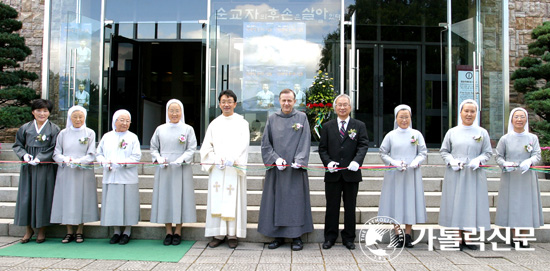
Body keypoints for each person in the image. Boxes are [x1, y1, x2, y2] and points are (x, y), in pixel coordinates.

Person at [258, 89, 313, 251]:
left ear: (295, 101)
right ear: (279, 101)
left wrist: (300, 160)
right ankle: (278, 236)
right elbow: (265, 143)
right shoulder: (272, 118)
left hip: (295, 170)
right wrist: (275, 159)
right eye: (284, 100)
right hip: (277, 170)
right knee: (276, 201)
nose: (286, 103)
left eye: (289, 100)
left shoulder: (302, 118)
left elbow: (305, 141)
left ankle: (297, 236)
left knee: (296, 202)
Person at [439, 99, 492, 250]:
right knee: (456, 202)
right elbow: (444, 151)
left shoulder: (482, 132)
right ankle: (457, 237)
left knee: (471, 203)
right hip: (456, 173)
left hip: (474, 173)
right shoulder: (452, 132)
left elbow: (487, 152)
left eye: (472, 111)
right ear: (460, 112)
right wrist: (452, 161)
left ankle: (468, 237)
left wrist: (479, 160)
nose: (469, 114)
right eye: (466, 111)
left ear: (476, 113)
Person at [318, 94, 369, 250]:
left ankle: (349, 238)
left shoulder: (359, 125)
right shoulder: (327, 126)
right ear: (335, 108)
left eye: (345, 104)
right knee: (331, 207)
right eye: (339, 105)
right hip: (333, 174)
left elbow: (363, 145)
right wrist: (328, 163)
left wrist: (356, 161)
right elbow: (322, 148)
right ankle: (330, 237)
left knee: (350, 207)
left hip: (351, 174)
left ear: (350, 107)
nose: (342, 107)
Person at [201, 90, 250, 249]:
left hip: (233, 168)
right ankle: (217, 233)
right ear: (219, 104)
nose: (226, 104)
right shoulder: (214, 123)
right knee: (218, 199)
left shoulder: (242, 123)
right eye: (223, 101)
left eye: (230, 101)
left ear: (235, 104)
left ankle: (232, 234)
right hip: (218, 168)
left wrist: (234, 159)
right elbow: (206, 146)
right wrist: (215, 159)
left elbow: (244, 145)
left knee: (233, 200)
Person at [378, 105, 427, 248]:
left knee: (409, 201)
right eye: (401, 117)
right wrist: (393, 162)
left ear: (410, 118)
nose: (404, 120)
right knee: (396, 201)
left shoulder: (416, 134)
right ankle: (397, 232)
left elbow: (422, 152)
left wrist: (416, 162)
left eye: (407, 117)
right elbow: (383, 152)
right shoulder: (391, 135)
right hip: (395, 175)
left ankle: (408, 233)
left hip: (411, 174)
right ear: (396, 118)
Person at [150, 99, 197, 246]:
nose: (174, 113)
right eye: (171, 110)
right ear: (167, 112)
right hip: (165, 168)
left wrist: (182, 159)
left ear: (181, 112)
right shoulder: (160, 129)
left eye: (177, 111)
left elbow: (191, 148)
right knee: (166, 197)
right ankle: (168, 231)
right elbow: (153, 148)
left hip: (181, 168)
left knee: (180, 197)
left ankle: (178, 230)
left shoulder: (188, 129)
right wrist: (158, 158)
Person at [12, 99, 60, 243]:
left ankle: (42, 230)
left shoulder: (54, 129)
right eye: (38, 110)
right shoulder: (25, 128)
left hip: (45, 167)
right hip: (28, 167)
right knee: (27, 195)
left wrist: (41, 157)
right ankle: (28, 229)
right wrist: (24, 155)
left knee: (43, 196)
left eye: (45, 111)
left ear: (49, 113)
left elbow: (54, 147)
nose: (42, 113)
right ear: (33, 112)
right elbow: (18, 145)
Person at [495, 107, 543, 248]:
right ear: (511, 119)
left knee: (526, 204)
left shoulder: (532, 138)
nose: (519, 120)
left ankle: (524, 236)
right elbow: (498, 156)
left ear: (526, 119)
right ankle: (515, 235)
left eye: (522, 117)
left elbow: (537, 155)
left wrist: (530, 161)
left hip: (527, 176)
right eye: (516, 117)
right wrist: (505, 164)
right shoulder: (505, 139)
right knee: (513, 204)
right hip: (511, 177)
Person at [51, 105, 98, 243]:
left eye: (81, 117)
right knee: (67, 199)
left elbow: (91, 154)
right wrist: (65, 160)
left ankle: (80, 230)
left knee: (81, 199)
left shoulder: (90, 133)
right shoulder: (63, 133)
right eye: (75, 117)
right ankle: (69, 231)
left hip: (82, 172)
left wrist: (79, 161)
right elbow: (56, 152)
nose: (78, 119)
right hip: (66, 170)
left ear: (85, 118)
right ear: (70, 118)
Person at [96, 109, 141, 245]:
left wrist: (123, 164)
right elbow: (99, 153)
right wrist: (104, 163)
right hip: (111, 176)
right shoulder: (107, 136)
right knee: (113, 205)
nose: (125, 123)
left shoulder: (132, 137)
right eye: (122, 120)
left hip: (127, 176)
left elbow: (136, 156)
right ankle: (116, 231)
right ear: (114, 121)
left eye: (127, 121)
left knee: (128, 205)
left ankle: (127, 231)